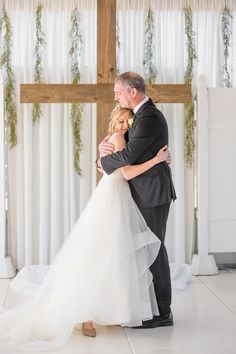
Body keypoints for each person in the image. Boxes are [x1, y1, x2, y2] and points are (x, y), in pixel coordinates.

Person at [0, 105, 170, 350]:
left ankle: (103, 309)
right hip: (113, 199)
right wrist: (157, 159)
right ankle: (85, 313)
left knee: (112, 256)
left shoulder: (120, 139)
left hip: (118, 198)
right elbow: (127, 172)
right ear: (114, 121)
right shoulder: (118, 138)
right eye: (121, 121)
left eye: (128, 122)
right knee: (100, 254)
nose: (124, 126)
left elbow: (109, 165)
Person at [97, 72, 177, 329]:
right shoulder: (139, 117)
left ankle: (164, 313)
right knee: (144, 250)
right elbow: (126, 150)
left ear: (133, 91)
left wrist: (101, 163)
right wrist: (102, 153)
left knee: (155, 249)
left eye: (118, 92)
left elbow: (129, 154)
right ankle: (150, 307)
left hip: (153, 194)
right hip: (141, 191)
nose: (116, 97)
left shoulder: (150, 117)